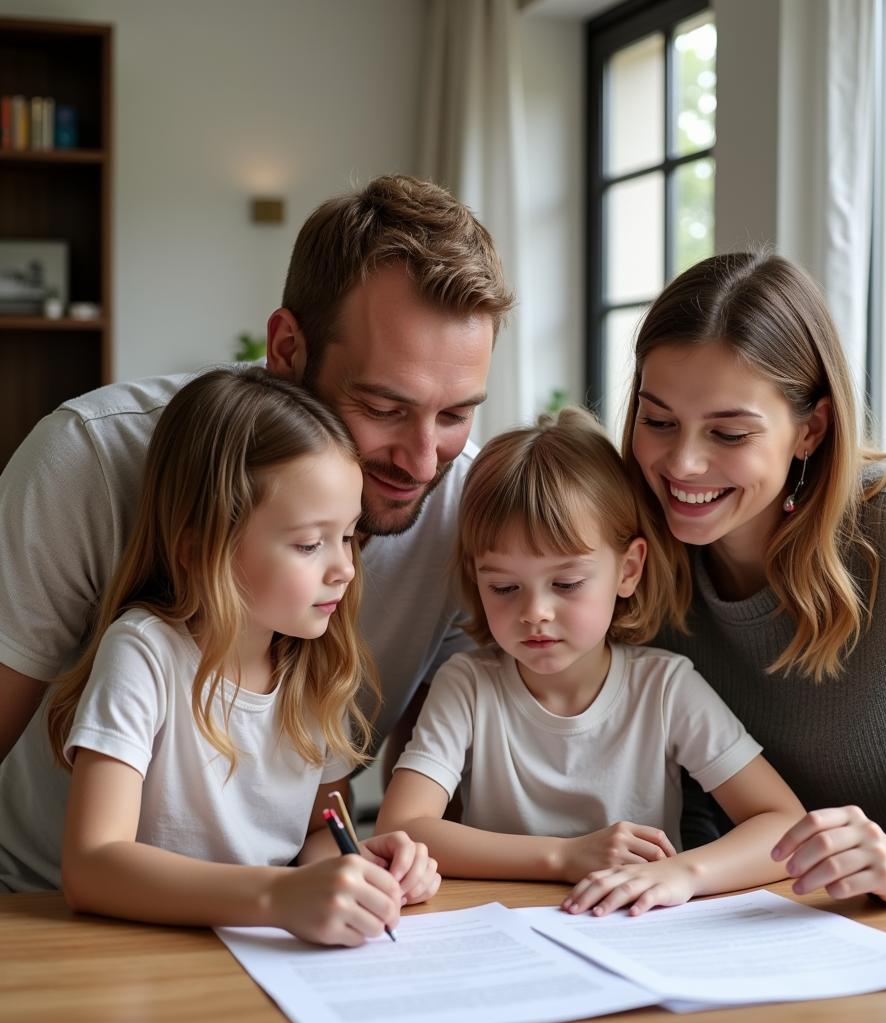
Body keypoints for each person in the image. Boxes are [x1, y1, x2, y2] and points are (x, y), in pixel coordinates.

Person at [0, 175, 513, 833]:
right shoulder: (90, 460)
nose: (420, 462)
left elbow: (425, 797)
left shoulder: (469, 508)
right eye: (385, 408)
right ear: (287, 349)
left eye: (457, 414)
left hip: (281, 916)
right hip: (48, 907)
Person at [622, 250, 886, 904]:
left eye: (728, 433)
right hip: (725, 919)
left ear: (810, 429)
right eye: (658, 421)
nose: (682, 464)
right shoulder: (625, 551)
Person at [1, 368, 439, 940]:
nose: (344, 568)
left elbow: (317, 831)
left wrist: (357, 867)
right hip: (135, 954)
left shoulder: (313, 668)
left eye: (350, 536)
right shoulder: (143, 655)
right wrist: (280, 895)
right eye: (309, 543)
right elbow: (92, 866)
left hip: (254, 956)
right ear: (201, 547)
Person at [376, 407, 804, 917]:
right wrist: (565, 856)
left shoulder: (665, 687)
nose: (534, 613)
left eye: (567, 584)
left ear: (628, 569)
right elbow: (400, 828)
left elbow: (782, 822)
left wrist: (682, 873)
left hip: (638, 932)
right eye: (504, 587)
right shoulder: (467, 684)